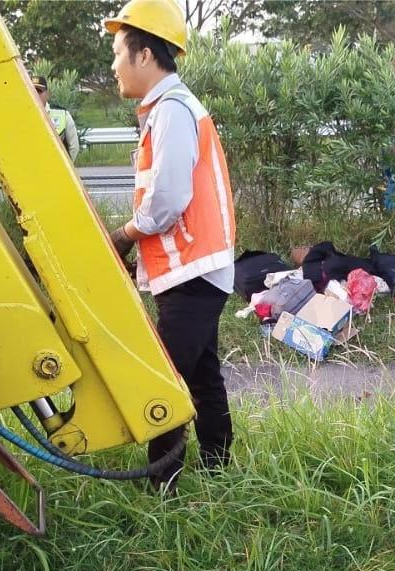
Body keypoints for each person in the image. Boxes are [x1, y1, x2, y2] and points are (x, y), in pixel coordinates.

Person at [102, 0, 236, 490]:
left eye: (118, 52)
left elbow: (169, 199)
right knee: (201, 375)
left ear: (143, 55)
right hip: (196, 270)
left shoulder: (173, 111)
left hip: (194, 271)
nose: (114, 64)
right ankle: (220, 469)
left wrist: (124, 235)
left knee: (167, 382)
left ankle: (162, 490)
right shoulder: (169, 109)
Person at [32, 75, 80, 160]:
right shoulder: (21, 116)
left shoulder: (62, 114)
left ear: (47, 94)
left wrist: (65, 168)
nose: (36, 94)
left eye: (39, 91)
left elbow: (74, 146)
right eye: (32, 91)